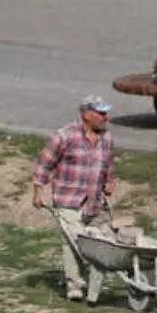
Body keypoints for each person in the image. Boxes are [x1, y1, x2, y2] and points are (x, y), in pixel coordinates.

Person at [32, 95, 117, 302]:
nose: (105, 117)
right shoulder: (63, 136)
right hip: (68, 198)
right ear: (86, 115)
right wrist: (38, 190)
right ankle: (75, 285)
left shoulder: (106, 139)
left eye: (106, 112)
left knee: (97, 241)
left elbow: (107, 165)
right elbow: (45, 164)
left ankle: (90, 280)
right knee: (74, 241)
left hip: (94, 200)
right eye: (100, 113)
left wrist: (109, 183)